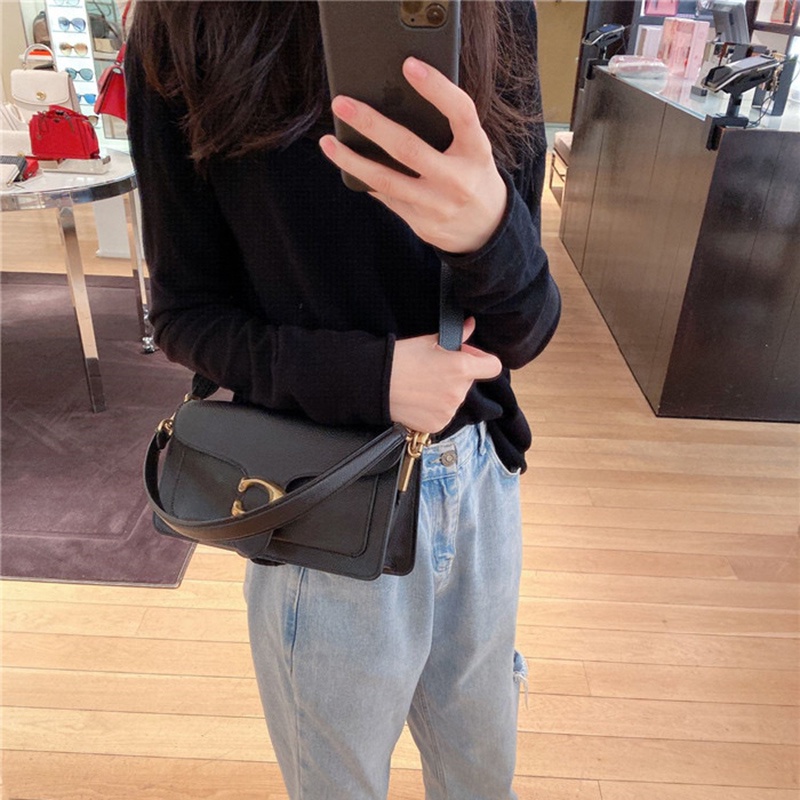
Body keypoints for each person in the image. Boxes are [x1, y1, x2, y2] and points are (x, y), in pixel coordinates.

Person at [126, 2, 561, 798]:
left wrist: (490, 232)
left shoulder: (497, 12)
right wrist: (374, 377)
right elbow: (184, 316)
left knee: (480, 773)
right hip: (322, 503)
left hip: (479, 482)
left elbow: (525, 328)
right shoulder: (187, 20)